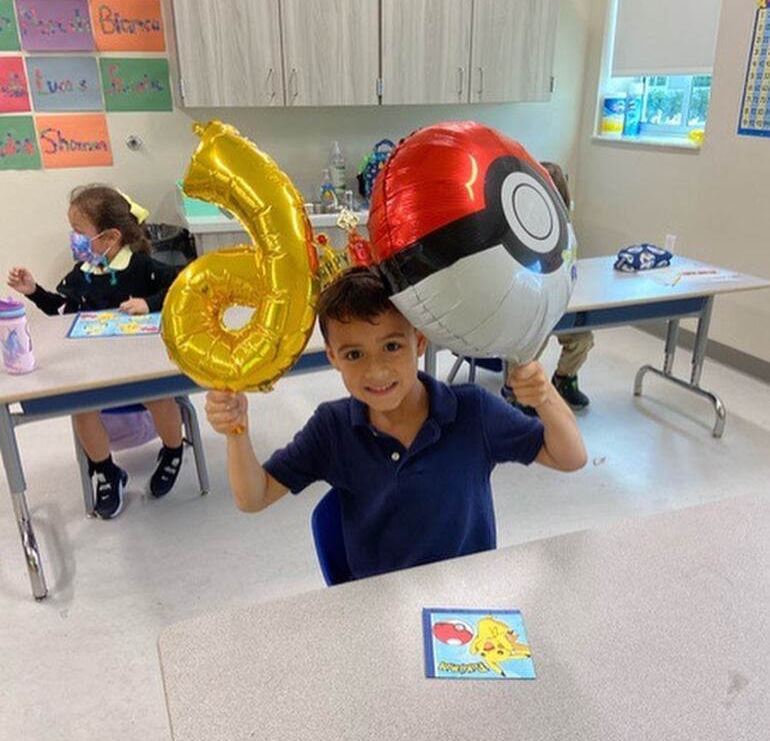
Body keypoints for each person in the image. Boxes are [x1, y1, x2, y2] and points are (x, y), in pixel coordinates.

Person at [205, 268, 586, 581]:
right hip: (379, 603)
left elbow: (571, 458)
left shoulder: (473, 412)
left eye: (392, 346)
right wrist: (236, 431)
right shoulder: (333, 427)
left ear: (419, 341)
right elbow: (253, 497)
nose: (377, 370)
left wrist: (544, 397)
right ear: (334, 358)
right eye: (354, 354)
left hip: (469, 595)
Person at [6, 184, 184, 520]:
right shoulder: (83, 273)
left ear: (110, 236)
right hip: (96, 369)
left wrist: (149, 303)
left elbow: (180, 285)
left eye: (78, 232)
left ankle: (174, 451)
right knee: (82, 409)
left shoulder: (141, 266)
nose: (74, 239)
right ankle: (106, 471)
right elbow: (63, 309)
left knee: (162, 399)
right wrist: (33, 291)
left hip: (142, 366)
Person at [503, 161, 595, 414]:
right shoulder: (517, 223)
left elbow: (570, 266)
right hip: (527, 307)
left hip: (559, 305)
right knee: (531, 341)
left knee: (582, 337)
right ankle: (515, 389)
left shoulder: (564, 229)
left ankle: (564, 379)